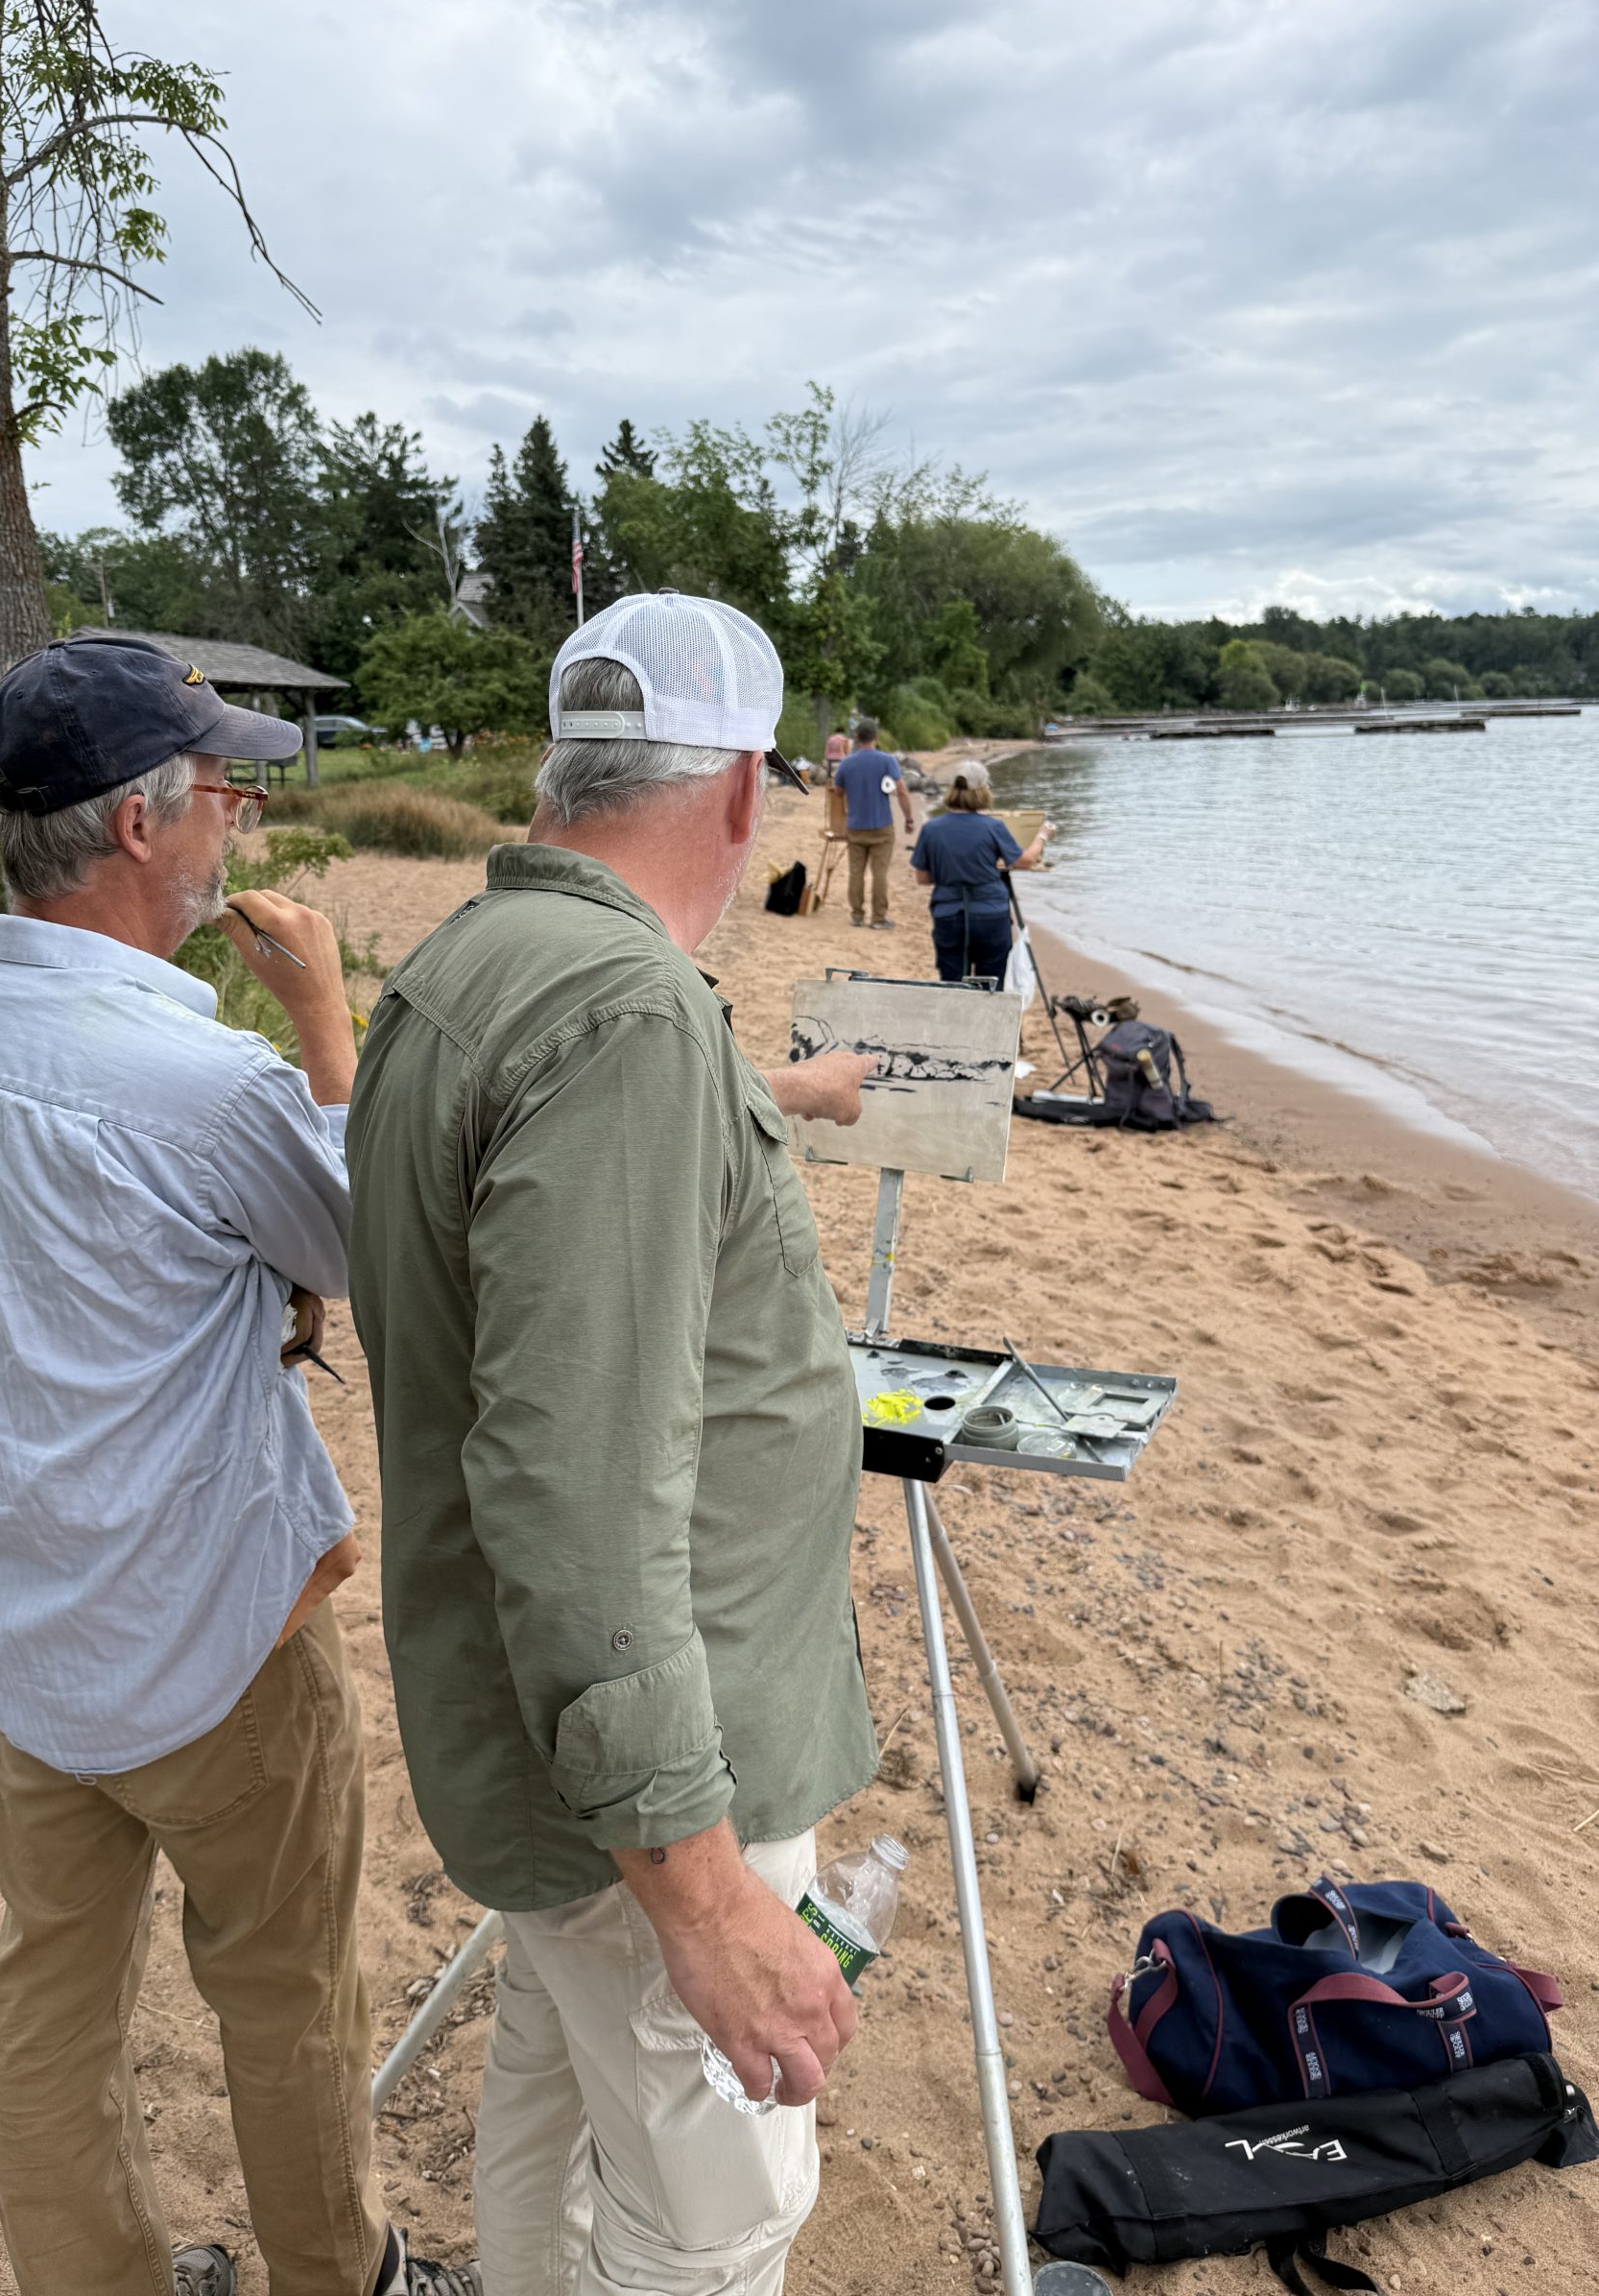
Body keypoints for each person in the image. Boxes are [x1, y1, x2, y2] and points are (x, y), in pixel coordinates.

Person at [0, 635, 474, 2296]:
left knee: (49, 1983)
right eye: (220, 790)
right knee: (283, 1996)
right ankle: (341, 2279)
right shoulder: (200, 1083)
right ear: (138, 828)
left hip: (23, 1619)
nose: (236, 824)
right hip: (216, 1646)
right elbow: (368, 1244)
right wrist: (328, 1022)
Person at [346, 589, 880, 2296]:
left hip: (542, 1734)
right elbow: (574, 1487)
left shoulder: (466, 963)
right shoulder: (626, 1012)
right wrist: (707, 1891)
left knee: (551, 2107)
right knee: (715, 2220)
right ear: (741, 794)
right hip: (648, 1771)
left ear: (558, 779)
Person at [910, 773, 1050, 985]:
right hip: (990, 914)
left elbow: (923, 878)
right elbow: (1026, 861)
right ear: (983, 793)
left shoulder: (931, 829)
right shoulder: (993, 826)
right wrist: (1042, 836)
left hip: (949, 914)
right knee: (991, 984)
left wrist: (952, 869)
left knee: (952, 983)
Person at [832, 720, 915, 928]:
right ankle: (878, 918)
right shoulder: (888, 761)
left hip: (855, 826)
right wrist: (909, 819)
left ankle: (857, 915)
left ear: (857, 738)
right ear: (875, 737)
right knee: (880, 874)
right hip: (881, 826)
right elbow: (902, 791)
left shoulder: (847, 763)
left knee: (856, 872)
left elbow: (838, 793)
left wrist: (843, 817)